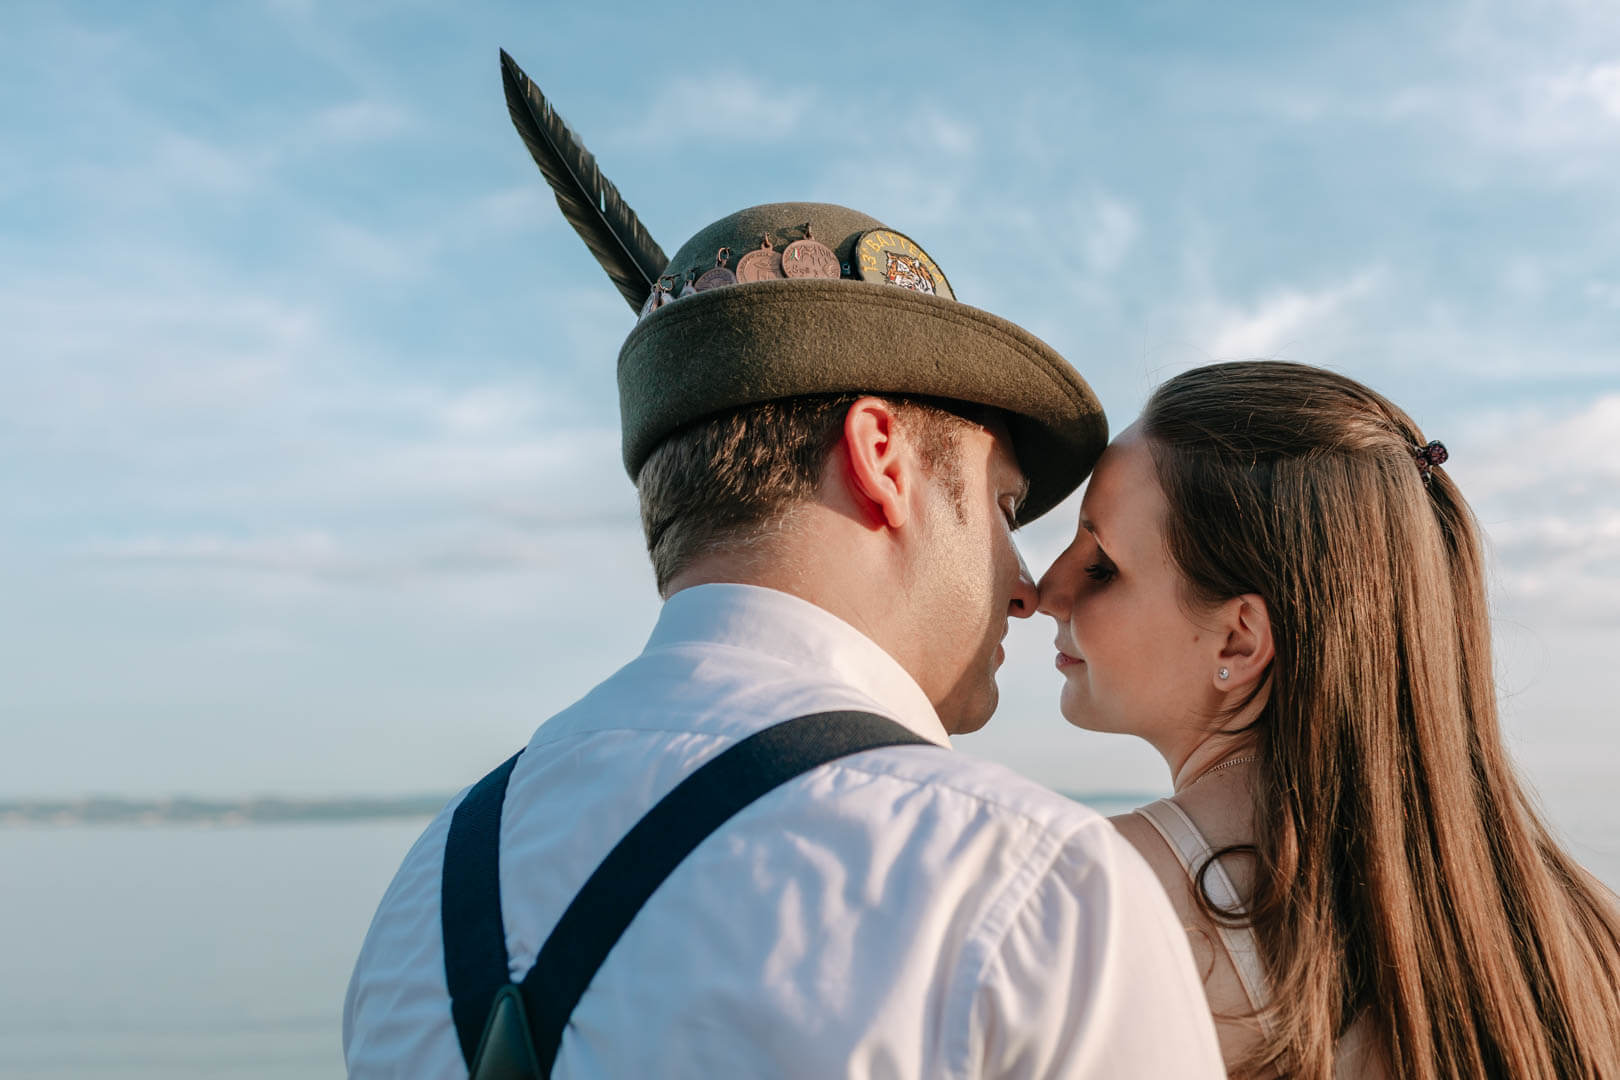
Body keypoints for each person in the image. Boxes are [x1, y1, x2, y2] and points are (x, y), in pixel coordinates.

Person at [343, 59, 1226, 1074]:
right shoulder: (1030, 893)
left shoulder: (426, 890)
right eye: (1003, 506)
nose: (1027, 585)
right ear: (880, 459)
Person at [1037, 359, 1620, 1079]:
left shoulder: (1098, 899)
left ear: (1239, 639)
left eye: (1101, 566)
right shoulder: (1591, 935)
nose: (1047, 590)